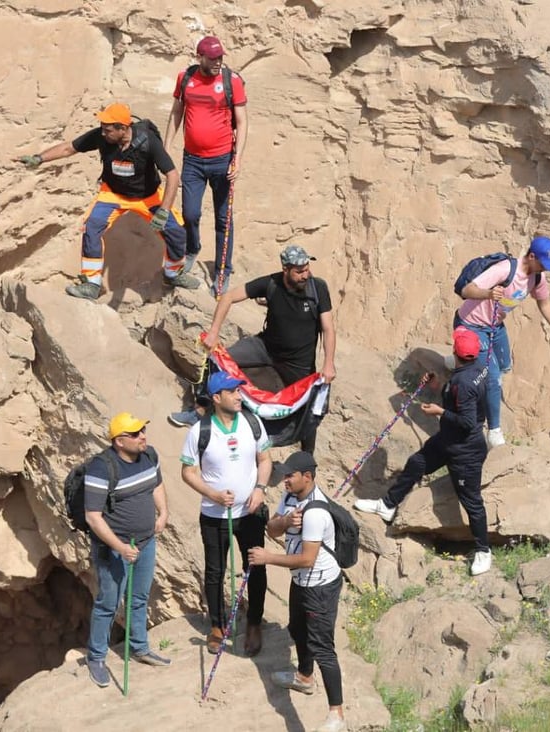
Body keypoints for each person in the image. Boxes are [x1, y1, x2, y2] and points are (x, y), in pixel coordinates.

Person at [18, 102, 201, 300]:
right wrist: (38, 158)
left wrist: (164, 211)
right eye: (103, 129)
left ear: (123, 128)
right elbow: (68, 149)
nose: (103, 133)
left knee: (175, 231)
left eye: (108, 130)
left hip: (147, 196)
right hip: (113, 194)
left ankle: (172, 274)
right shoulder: (102, 137)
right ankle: (91, 284)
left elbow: (172, 175)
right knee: (92, 226)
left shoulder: (148, 141)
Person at [169, 245, 337, 453]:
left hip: (298, 364)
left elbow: (328, 328)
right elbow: (228, 297)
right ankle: (201, 409)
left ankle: (306, 462)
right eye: (299, 271)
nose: (305, 274)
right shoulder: (271, 283)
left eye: (307, 268)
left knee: (310, 407)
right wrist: (213, 332)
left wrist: (328, 364)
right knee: (221, 359)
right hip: (265, 348)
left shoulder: (317, 289)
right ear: (286, 270)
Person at [354, 328, 494, 576]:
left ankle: (483, 551)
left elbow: (468, 422)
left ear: (457, 352)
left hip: (466, 450)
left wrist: (439, 412)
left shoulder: (462, 383)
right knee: (417, 462)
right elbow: (461, 395)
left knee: (471, 502)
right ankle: (387, 505)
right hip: (448, 440)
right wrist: (439, 384)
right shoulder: (479, 367)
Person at [249, 451, 347, 732]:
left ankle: (336, 714)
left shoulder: (316, 512)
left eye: (290, 475)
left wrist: (268, 559)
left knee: (323, 648)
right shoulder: (291, 498)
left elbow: (307, 559)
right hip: (301, 581)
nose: (285, 480)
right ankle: (305, 677)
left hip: (319, 586)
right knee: (296, 628)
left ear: (308, 477)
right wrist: (285, 522)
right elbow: (272, 529)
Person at [180, 371, 273, 656]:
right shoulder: (200, 431)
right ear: (217, 398)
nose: (238, 395)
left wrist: (260, 488)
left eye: (239, 390)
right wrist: (213, 494)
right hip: (214, 514)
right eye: (232, 392)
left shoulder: (253, 423)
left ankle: (254, 622)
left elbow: (265, 459)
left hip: (250, 512)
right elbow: (188, 472)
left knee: (255, 567)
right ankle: (218, 626)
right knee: (215, 571)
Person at [455, 236, 550, 448]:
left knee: (504, 365)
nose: (545, 269)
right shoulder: (505, 270)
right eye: (542, 263)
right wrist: (488, 294)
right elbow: (467, 291)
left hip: (494, 326)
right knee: (493, 377)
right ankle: (494, 432)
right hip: (471, 325)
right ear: (531, 256)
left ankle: (459, 361)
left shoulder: (536, 277)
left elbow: (545, 304)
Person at [83, 411, 171, 688]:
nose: (142, 436)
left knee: (140, 597)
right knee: (108, 603)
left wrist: (163, 513)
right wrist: (120, 546)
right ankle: (96, 657)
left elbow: (156, 485)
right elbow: (92, 517)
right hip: (114, 548)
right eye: (135, 434)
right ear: (120, 441)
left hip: (145, 542)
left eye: (142, 430)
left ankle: (139, 647)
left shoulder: (148, 455)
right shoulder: (101, 468)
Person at [164, 35, 249, 297]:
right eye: (212, 58)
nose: (217, 62)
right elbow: (177, 112)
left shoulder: (230, 80)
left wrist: (238, 159)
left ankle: (222, 270)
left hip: (223, 160)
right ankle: (193, 248)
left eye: (220, 57)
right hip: (193, 161)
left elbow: (242, 122)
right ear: (200, 57)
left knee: (224, 219)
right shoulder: (186, 78)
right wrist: (166, 148)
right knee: (190, 213)